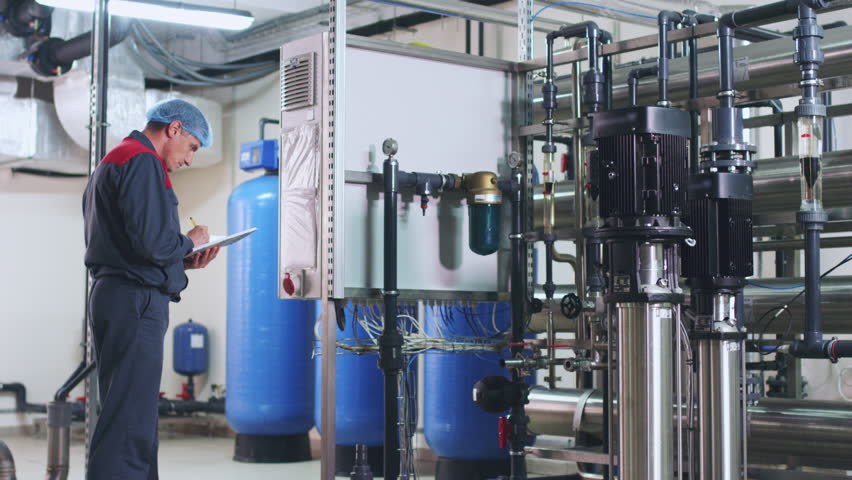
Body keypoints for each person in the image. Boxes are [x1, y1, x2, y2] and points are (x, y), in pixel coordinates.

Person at [82, 98, 220, 480]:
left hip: (118, 295)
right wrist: (190, 240)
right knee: (129, 421)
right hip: (136, 301)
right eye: (192, 147)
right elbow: (155, 244)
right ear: (174, 128)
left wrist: (183, 260)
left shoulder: (113, 161)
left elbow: (134, 244)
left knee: (131, 414)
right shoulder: (142, 160)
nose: (190, 159)